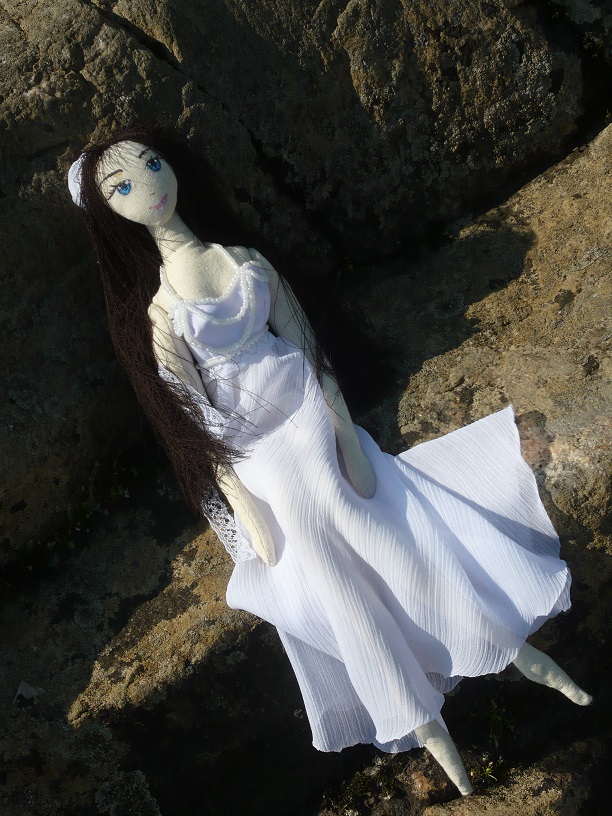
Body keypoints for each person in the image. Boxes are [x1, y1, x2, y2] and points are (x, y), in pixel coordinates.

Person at [68, 129, 592, 796]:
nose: (148, 186)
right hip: (251, 444)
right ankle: (416, 714)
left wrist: (343, 431)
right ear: (111, 214)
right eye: (121, 187)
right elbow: (193, 417)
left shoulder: (246, 261)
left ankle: (507, 644)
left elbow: (307, 345)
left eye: (151, 163)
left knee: (366, 509)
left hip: (305, 408)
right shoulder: (162, 312)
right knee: (313, 551)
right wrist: (240, 501)